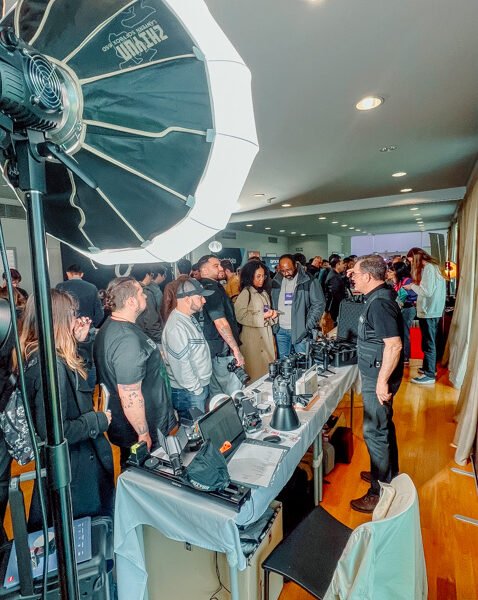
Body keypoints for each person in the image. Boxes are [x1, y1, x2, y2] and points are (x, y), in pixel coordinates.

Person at [20, 290, 114, 530]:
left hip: (75, 465)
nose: (77, 318)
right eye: (73, 313)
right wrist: (97, 420)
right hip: (73, 472)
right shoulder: (50, 367)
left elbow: (81, 386)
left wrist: (80, 343)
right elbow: (55, 431)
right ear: (60, 318)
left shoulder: (51, 357)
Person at [94, 277, 176, 468]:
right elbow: (129, 393)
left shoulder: (118, 327)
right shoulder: (126, 340)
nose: (145, 296)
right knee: (146, 475)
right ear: (131, 301)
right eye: (141, 293)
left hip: (145, 422)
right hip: (141, 430)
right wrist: (143, 433)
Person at [349, 255, 403, 513]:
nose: (352, 277)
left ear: (368, 276)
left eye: (355, 274)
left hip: (378, 377)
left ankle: (379, 493)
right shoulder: (378, 297)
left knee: (375, 432)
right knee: (383, 427)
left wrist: (381, 383)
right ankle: (387, 475)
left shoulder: (379, 303)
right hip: (377, 373)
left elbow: (394, 345)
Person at [162, 279, 213, 422]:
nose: (204, 300)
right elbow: (181, 365)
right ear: (187, 299)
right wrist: (196, 389)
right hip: (190, 393)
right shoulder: (176, 327)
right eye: (200, 297)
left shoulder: (187, 318)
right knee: (194, 431)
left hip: (196, 389)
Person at [197, 255, 245, 396]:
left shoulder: (200, 287)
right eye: (216, 266)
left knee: (217, 395)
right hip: (222, 351)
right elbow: (220, 322)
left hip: (210, 350)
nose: (221, 268)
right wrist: (235, 349)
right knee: (235, 393)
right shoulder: (211, 290)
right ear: (204, 270)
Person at [404, 247, 446, 384]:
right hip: (431, 310)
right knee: (429, 341)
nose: (411, 264)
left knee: (429, 343)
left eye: (411, 261)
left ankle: (429, 374)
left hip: (429, 312)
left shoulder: (429, 268)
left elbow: (427, 292)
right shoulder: (433, 268)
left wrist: (412, 286)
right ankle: (429, 368)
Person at [271, 254, 325, 357]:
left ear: (296, 265)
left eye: (289, 270)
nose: (286, 273)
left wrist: (307, 326)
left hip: (300, 331)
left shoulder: (308, 280)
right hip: (280, 330)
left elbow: (319, 304)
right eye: (283, 271)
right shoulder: (276, 281)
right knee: (284, 363)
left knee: (303, 362)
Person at [234, 261, 278, 381]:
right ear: (250, 276)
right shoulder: (246, 293)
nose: (262, 279)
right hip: (252, 338)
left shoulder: (264, 293)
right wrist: (262, 316)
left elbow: (266, 312)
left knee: (267, 371)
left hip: (266, 336)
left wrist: (272, 316)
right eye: (258, 276)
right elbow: (240, 315)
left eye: (263, 276)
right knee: (254, 373)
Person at [392, 261, 417, 365]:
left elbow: (414, 296)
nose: (392, 272)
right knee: (401, 332)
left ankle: (406, 357)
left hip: (408, 309)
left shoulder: (407, 281)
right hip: (403, 309)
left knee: (405, 333)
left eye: (393, 270)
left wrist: (405, 297)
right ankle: (402, 355)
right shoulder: (400, 281)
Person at [133, 267, 164, 345]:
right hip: (150, 337)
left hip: (137, 335)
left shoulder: (131, 290)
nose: (152, 278)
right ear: (147, 275)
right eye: (152, 275)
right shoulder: (146, 293)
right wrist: (160, 338)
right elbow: (151, 320)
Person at [160, 258, 192, 323]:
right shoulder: (196, 284)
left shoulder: (170, 286)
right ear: (191, 271)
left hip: (176, 321)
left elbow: (166, 307)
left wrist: (167, 324)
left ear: (177, 270)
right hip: (193, 320)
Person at [324, 256, 347, 324]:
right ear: (337, 265)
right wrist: (345, 302)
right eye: (342, 263)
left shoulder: (335, 274)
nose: (344, 266)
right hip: (334, 308)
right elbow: (335, 294)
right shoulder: (334, 277)